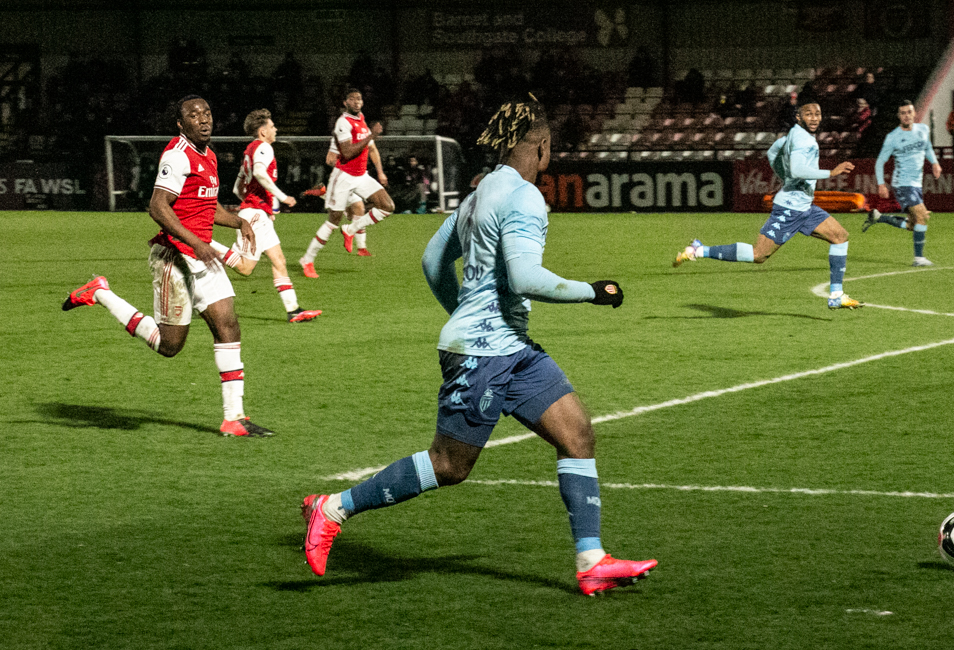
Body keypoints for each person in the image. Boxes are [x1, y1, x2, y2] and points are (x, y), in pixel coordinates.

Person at [301, 95, 657, 596]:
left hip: (512, 348)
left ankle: (592, 560)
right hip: (482, 354)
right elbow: (526, 277)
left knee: (577, 434)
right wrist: (594, 292)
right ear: (542, 147)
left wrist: (464, 312)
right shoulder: (525, 197)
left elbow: (432, 261)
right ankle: (333, 508)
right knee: (450, 465)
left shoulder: (478, 193)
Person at [62, 95, 274, 437]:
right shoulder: (177, 156)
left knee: (228, 326)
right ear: (180, 123)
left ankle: (234, 418)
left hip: (200, 254)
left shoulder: (209, 155)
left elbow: (207, 206)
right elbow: (158, 207)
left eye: (207, 113)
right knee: (169, 345)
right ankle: (100, 292)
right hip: (174, 256)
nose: (203, 119)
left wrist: (239, 221)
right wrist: (197, 242)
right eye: (194, 115)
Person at [673, 101, 862, 310]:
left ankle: (836, 295)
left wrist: (785, 178)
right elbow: (797, 169)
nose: (814, 118)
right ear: (799, 117)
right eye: (809, 114)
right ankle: (699, 250)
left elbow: (773, 152)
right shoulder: (803, 140)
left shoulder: (793, 134)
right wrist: (831, 172)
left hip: (805, 207)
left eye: (817, 114)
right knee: (758, 255)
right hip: (790, 209)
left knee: (840, 236)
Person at [209, 108, 322, 322]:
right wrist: (282, 197)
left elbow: (237, 188)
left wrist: (261, 205)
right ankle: (204, 243)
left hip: (258, 214)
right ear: (263, 132)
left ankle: (294, 310)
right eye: (272, 126)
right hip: (255, 216)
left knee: (279, 260)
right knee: (245, 268)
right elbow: (260, 173)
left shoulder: (250, 150)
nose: (275, 129)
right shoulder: (264, 148)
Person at [298, 89, 394, 277]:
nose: (357, 101)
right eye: (352, 99)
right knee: (333, 220)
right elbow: (348, 152)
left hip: (361, 176)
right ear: (345, 103)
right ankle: (307, 260)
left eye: (359, 98)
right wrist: (371, 136)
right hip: (343, 177)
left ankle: (351, 229)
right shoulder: (343, 122)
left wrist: (379, 168)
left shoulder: (361, 120)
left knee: (387, 206)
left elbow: (369, 148)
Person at [864, 100, 942, 267]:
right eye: (903, 113)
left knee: (912, 225)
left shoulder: (923, 129)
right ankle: (919, 258)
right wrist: (881, 184)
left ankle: (879, 217)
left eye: (909, 112)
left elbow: (927, 148)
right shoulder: (893, 137)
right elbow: (880, 162)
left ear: (914, 113)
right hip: (902, 184)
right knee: (922, 216)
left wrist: (935, 163)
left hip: (917, 184)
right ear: (899, 116)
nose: (907, 116)